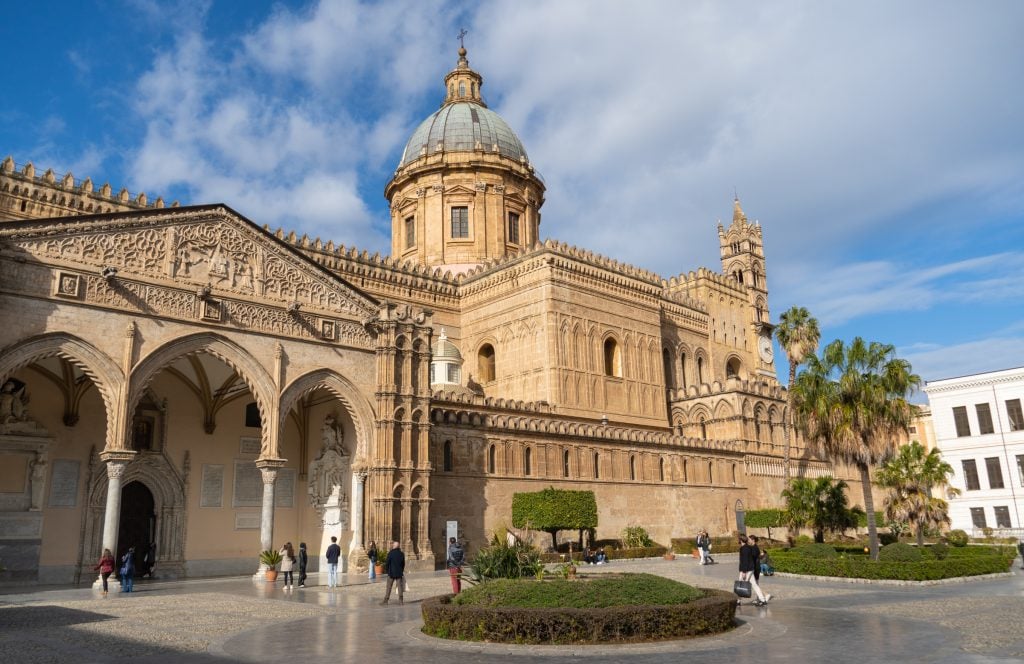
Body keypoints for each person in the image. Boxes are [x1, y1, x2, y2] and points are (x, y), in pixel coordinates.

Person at [738, 535, 770, 606]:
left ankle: (738, 600)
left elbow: (746, 560)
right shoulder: (749, 548)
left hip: (747, 570)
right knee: (754, 585)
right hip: (751, 569)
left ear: (741, 540)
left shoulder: (745, 548)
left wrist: (744, 571)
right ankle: (762, 600)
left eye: (739, 539)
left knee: (741, 584)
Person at [380, 540, 405, 605]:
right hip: (399, 572)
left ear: (394, 546)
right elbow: (403, 564)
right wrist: (401, 570)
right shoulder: (401, 554)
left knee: (389, 587)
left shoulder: (390, 553)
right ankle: (401, 601)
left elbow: (387, 563)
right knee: (400, 586)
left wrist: (387, 570)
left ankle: (386, 600)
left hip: (391, 572)